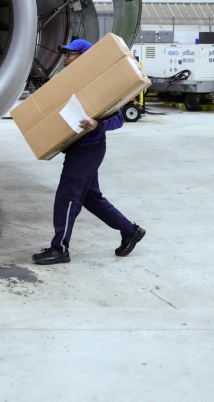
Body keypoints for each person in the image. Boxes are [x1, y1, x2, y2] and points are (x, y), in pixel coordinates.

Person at [32, 38, 146, 265]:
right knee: (91, 199)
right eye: (66, 54)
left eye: (70, 54)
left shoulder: (99, 86)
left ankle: (60, 248)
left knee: (67, 197)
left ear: (85, 57)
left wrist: (97, 124)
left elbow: (118, 119)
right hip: (77, 148)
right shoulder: (69, 83)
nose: (65, 58)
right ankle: (130, 231)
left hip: (88, 149)